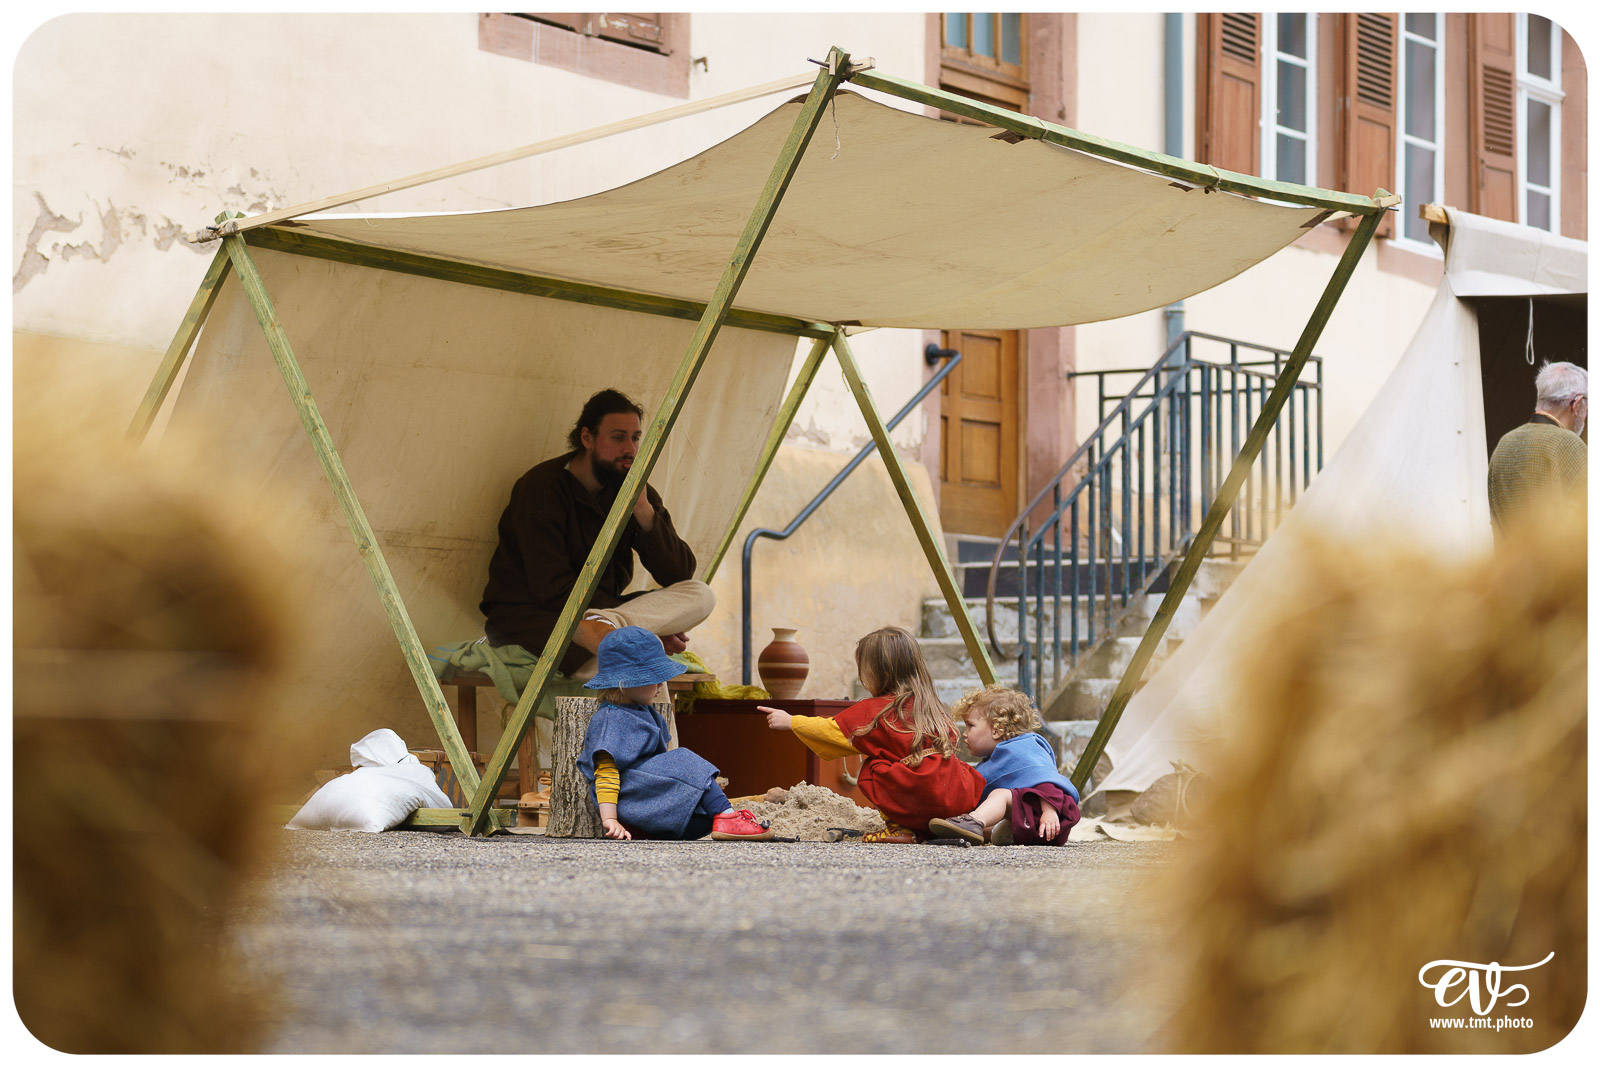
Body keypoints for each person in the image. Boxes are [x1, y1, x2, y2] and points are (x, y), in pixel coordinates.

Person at [480, 388, 715, 680]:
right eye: (618, 437)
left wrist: (643, 510)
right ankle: (614, 633)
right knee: (638, 664)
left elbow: (679, 572)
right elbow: (551, 590)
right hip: (533, 618)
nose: (630, 449)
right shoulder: (541, 488)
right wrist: (646, 632)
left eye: (635, 437)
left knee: (701, 594)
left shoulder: (631, 487)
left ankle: (610, 629)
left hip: (599, 617)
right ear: (587, 438)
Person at [761, 626, 985, 843]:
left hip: (919, 796)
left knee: (872, 766)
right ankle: (942, 826)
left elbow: (834, 732)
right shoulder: (931, 706)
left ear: (882, 674)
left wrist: (791, 721)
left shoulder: (878, 710)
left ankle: (900, 827)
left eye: (863, 670)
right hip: (955, 798)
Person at [577, 627, 773, 841]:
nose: (661, 683)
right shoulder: (610, 720)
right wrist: (611, 820)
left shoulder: (640, 710)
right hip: (630, 800)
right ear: (625, 684)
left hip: (650, 799)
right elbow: (606, 773)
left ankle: (719, 819)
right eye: (654, 677)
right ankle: (727, 816)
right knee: (685, 760)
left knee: (705, 818)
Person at [927, 686, 1081, 846]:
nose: (964, 733)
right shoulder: (995, 759)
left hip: (1047, 819)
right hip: (1024, 823)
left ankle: (973, 822)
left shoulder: (1024, 748)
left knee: (1001, 795)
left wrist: (1050, 812)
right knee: (989, 819)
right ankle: (968, 829)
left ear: (996, 730)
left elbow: (1047, 781)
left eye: (970, 726)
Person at [1487, 360, 1586, 545]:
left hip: (1511, 571)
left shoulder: (1504, 444)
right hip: (1559, 572)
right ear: (1577, 404)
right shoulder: (1570, 444)